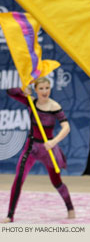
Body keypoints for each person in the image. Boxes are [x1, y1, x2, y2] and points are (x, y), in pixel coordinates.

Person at [2, 77, 75, 223]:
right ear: (36, 90)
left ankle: (70, 207)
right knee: (19, 179)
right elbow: (10, 92)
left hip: (48, 149)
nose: (44, 91)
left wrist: (53, 142)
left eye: (47, 88)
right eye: (41, 88)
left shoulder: (54, 106)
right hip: (31, 148)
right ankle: (10, 215)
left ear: (50, 89)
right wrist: (22, 90)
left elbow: (66, 127)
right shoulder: (31, 101)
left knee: (56, 182)